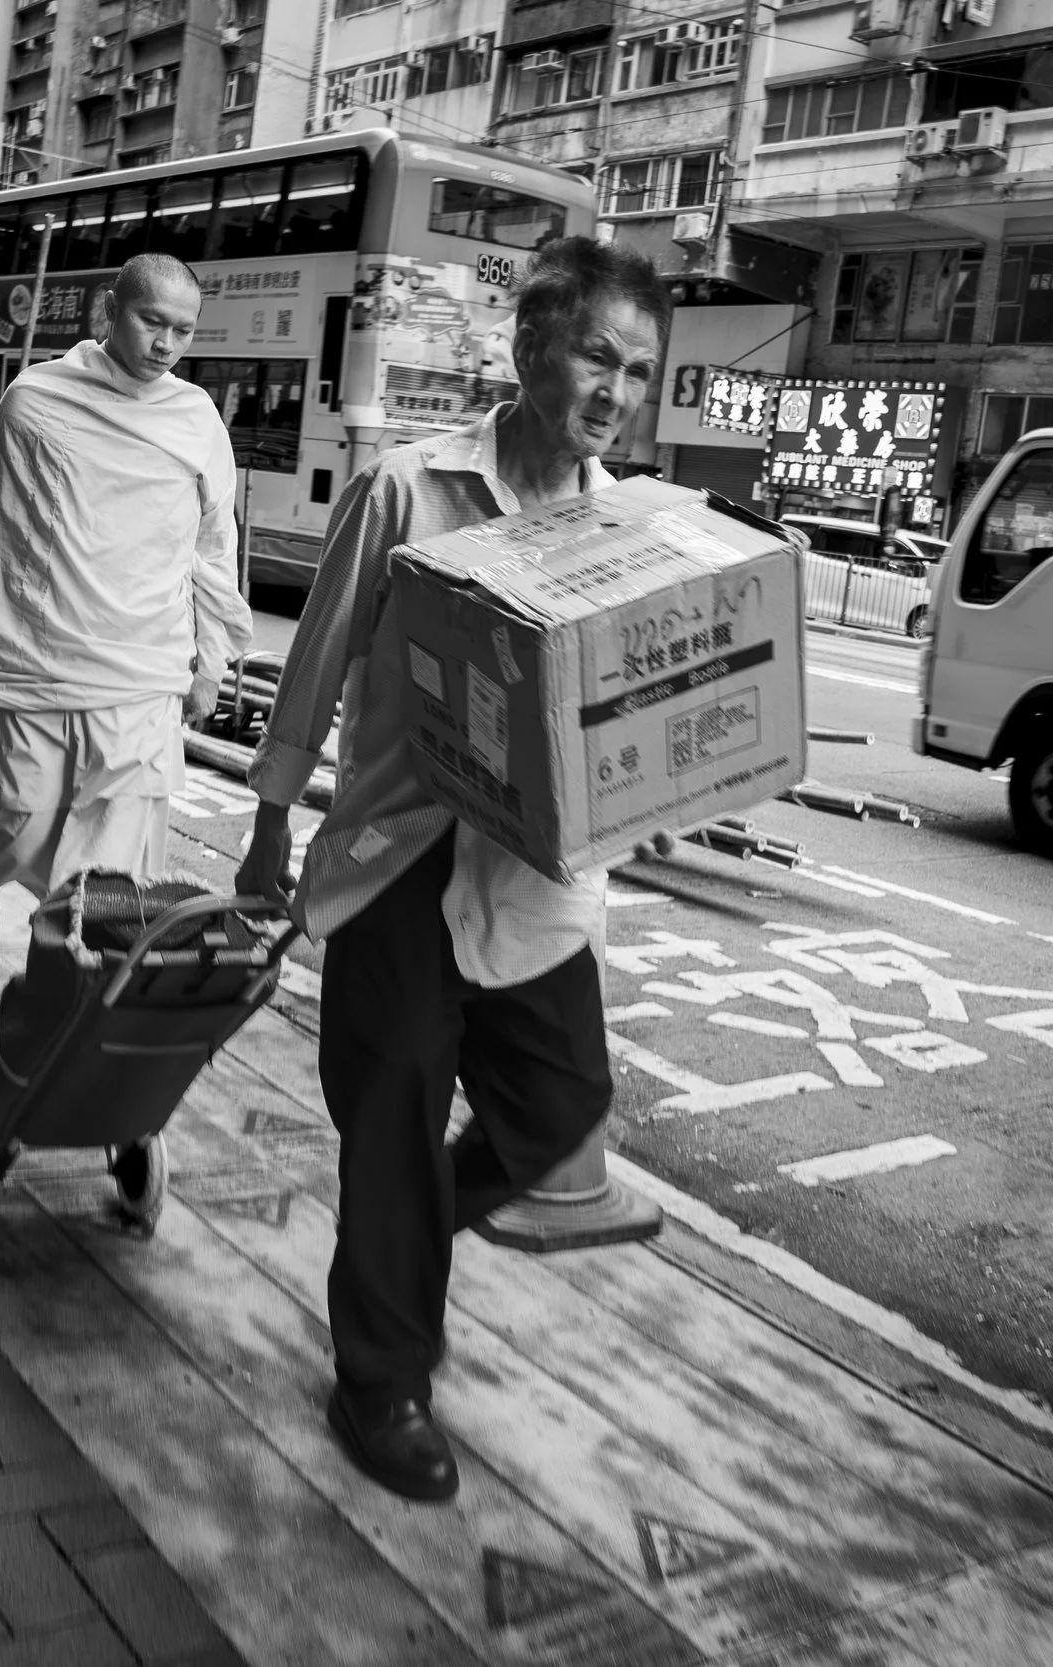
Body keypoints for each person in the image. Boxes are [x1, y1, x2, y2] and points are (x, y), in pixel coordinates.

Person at [236, 237, 669, 1503]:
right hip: (401, 869)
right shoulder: (409, 490)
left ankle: (407, 1213)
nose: (613, 389)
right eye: (597, 353)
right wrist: (269, 822)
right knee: (389, 1120)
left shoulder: (625, 527)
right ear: (532, 345)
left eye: (637, 371)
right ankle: (380, 1378)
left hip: (539, 881)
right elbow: (315, 659)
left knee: (561, 1107)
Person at [0, 252, 253, 986]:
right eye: (152, 321)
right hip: (40, 663)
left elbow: (211, 548)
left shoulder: (196, 419)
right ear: (110, 311)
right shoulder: (37, 399)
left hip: (143, 672)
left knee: (112, 868)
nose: (167, 344)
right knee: (21, 825)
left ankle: (66, 997)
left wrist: (211, 662)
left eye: (184, 331)